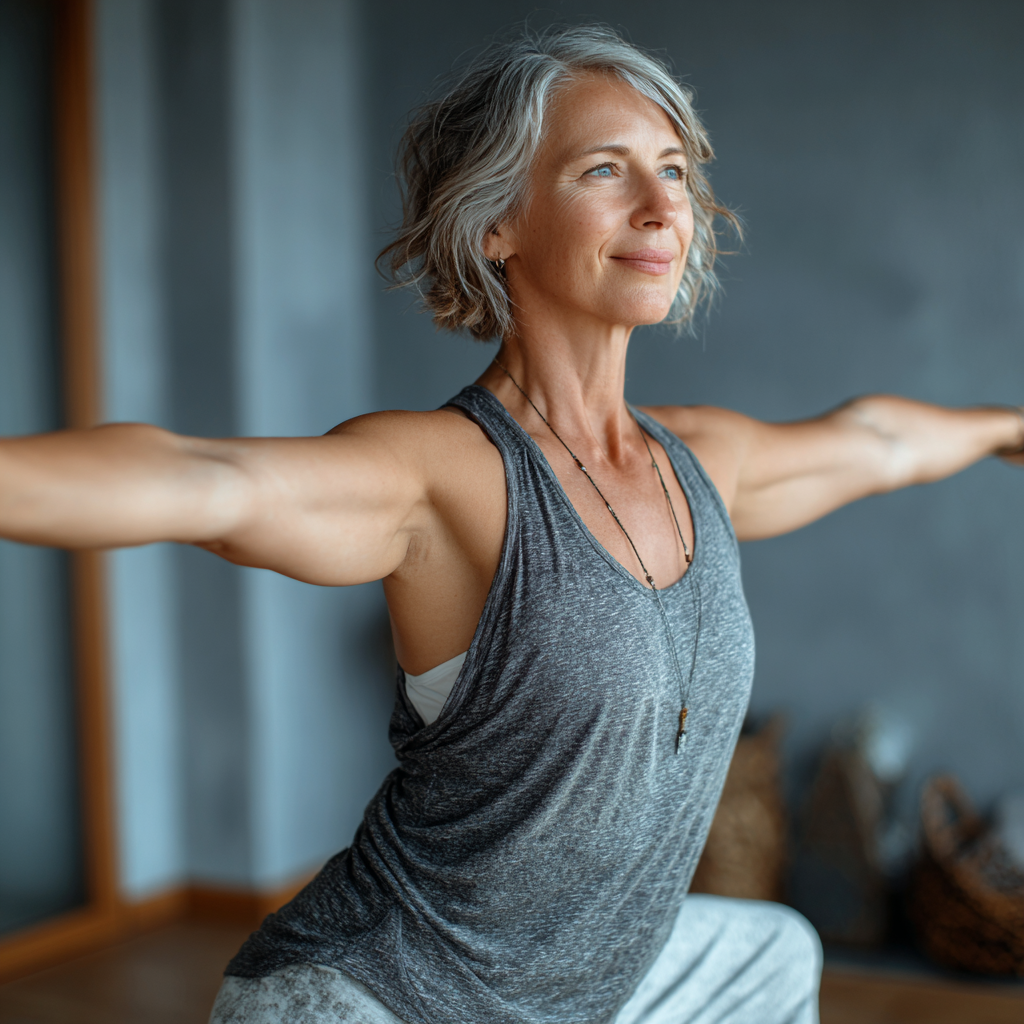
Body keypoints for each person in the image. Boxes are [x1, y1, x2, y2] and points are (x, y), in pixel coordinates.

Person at [2, 23, 1022, 1024]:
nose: (662, 203)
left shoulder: (700, 463)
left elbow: (877, 440)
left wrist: (1007, 429)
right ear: (499, 224)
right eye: (603, 171)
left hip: (584, 985)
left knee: (769, 955)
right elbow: (207, 479)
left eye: (672, 169)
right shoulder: (449, 476)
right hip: (379, 993)